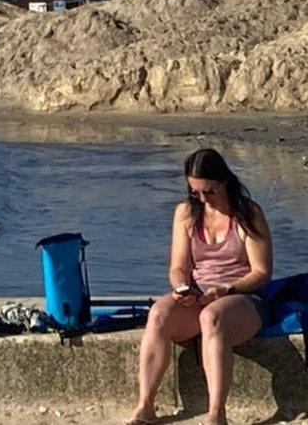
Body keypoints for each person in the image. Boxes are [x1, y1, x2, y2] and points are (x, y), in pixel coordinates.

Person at [127, 148, 274, 425]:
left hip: (241, 296)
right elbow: (178, 266)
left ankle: (216, 413)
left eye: (209, 192)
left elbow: (261, 272)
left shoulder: (248, 214)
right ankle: (145, 404)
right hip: (198, 294)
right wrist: (182, 287)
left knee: (212, 317)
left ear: (224, 182)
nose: (203, 199)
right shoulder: (185, 213)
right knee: (158, 313)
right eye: (196, 192)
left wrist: (227, 289)